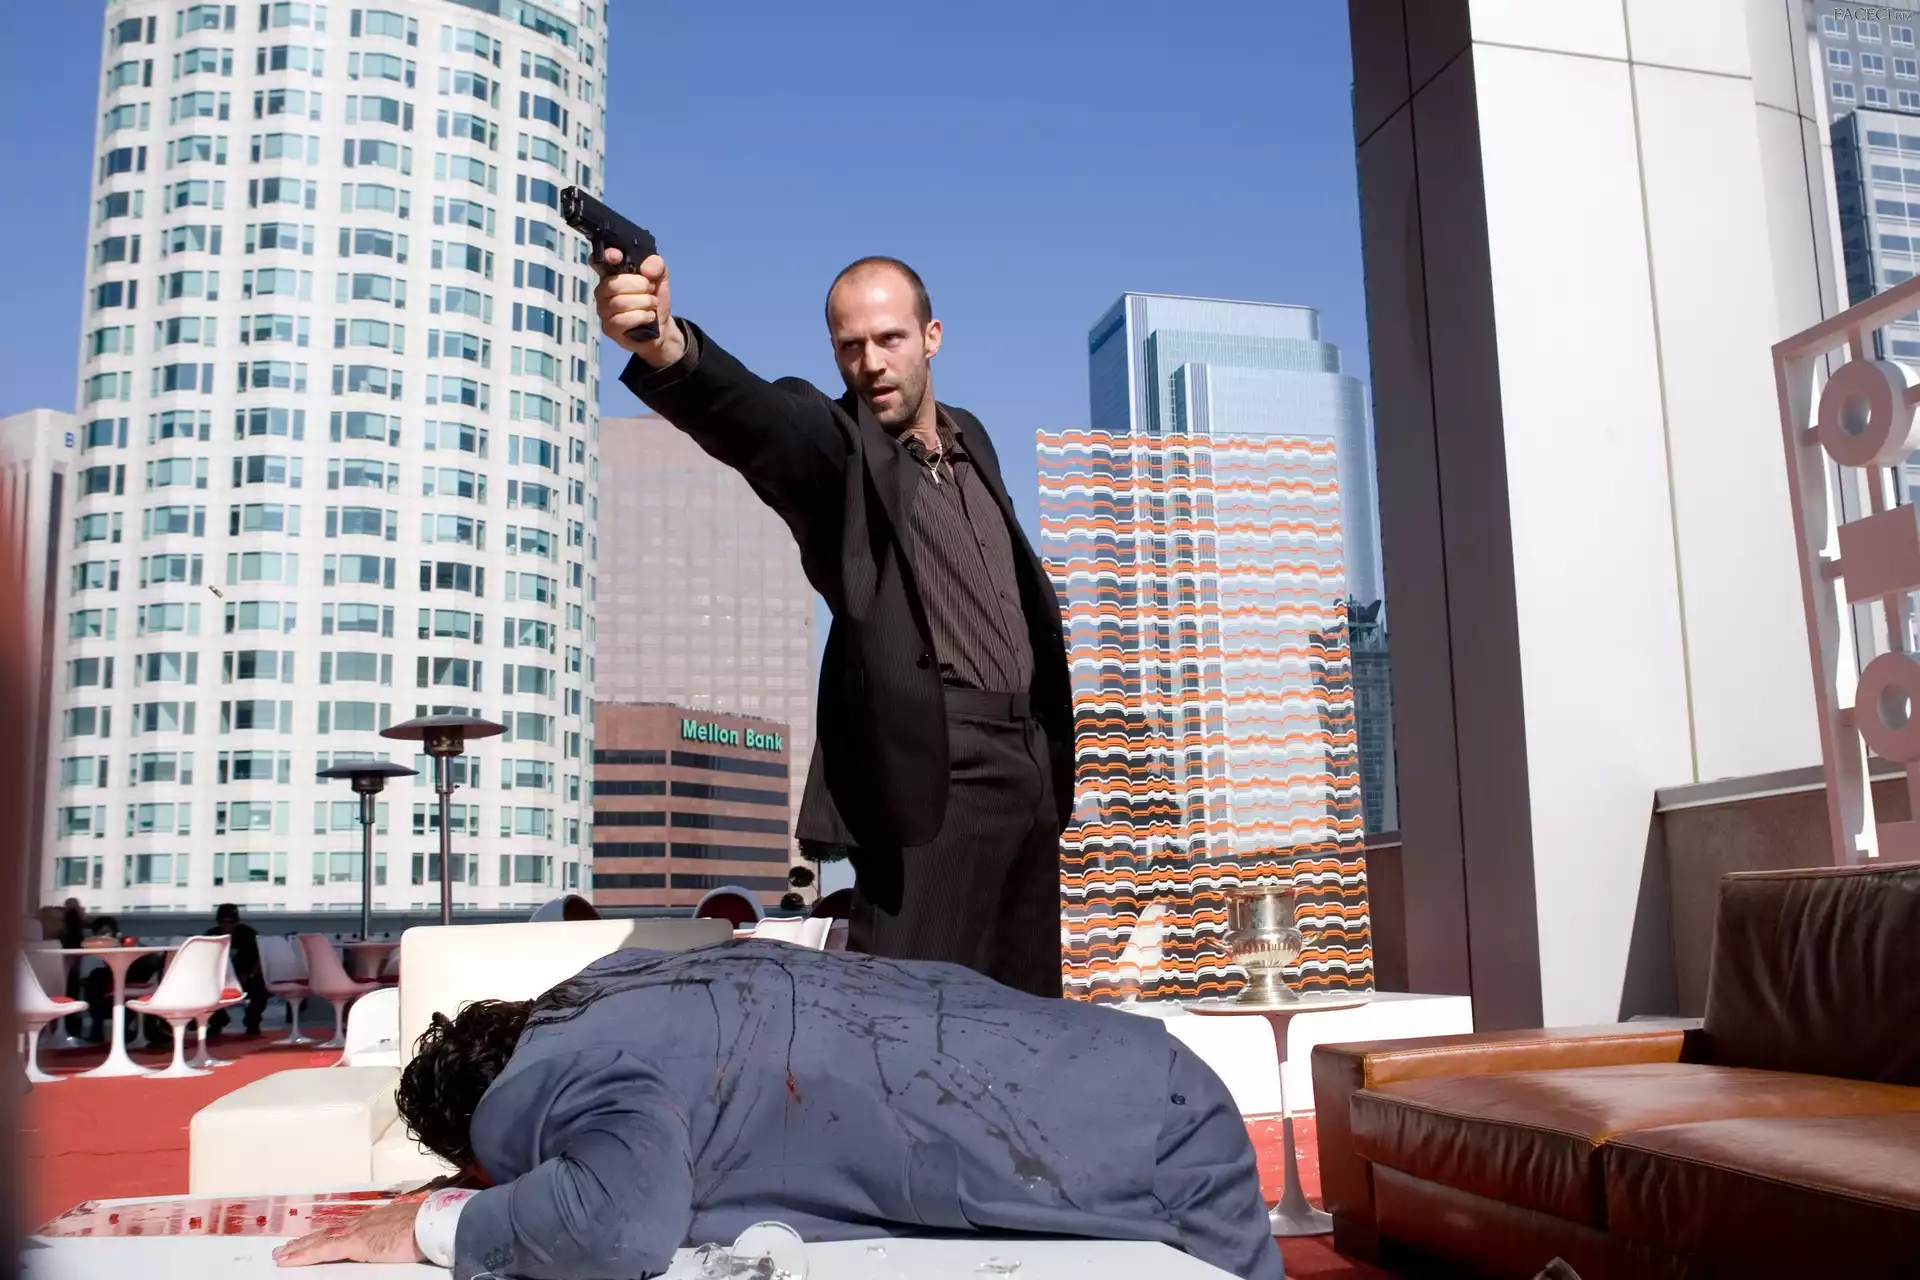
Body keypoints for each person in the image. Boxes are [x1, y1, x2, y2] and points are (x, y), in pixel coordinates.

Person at [594, 249, 1075, 999]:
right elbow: (757, 422)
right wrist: (666, 346)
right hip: (937, 769)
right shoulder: (838, 449)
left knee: (1030, 1017)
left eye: (890, 339)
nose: (871, 363)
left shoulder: (973, 440)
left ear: (931, 337)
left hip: (1030, 765)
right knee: (908, 1016)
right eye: (851, 346)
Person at [272, 941, 1283, 1280]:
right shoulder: (619, 983)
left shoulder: (540, 1087)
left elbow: (620, 1222)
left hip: (1141, 1150)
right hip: (1142, 1078)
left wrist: (438, 1221)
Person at [206, 903, 270, 1036]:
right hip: (219, 980)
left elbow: (261, 957)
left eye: (231, 922)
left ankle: (253, 1021)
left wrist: (250, 974)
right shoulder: (211, 936)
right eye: (223, 922)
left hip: (246, 977)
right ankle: (218, 1021)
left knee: (261, 985)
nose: (227, 926)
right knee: (203, 987)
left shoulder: (248, 934)